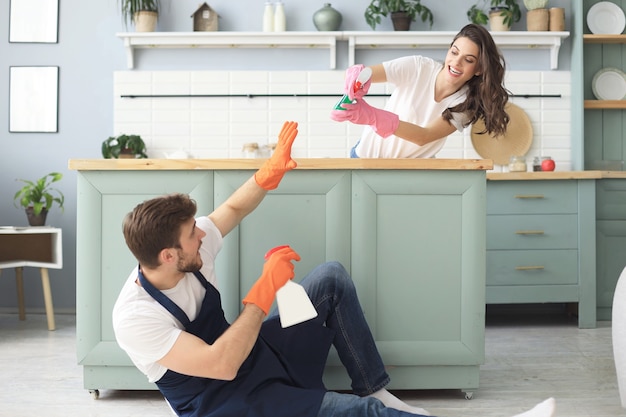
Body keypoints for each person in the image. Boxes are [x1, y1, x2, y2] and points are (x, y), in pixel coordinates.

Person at [112, 120, 555, 417]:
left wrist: (269, 172)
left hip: (258, 360)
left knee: (329, 280)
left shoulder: (188, 251)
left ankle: (374, 386)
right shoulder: (136, 317)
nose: (203, 235)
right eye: (193, 234)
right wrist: (264, 290)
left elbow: (232, 207)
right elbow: (222, 364)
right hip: (231, 402)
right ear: (169, 255)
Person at [330, 23, 510, 159]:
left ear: (479, 69)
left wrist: (372, 116)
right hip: (364, 159)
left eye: (468, 60)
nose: (456, 63)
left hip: (411, 175)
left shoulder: (466, 104)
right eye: (454, 52)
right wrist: (358, 79)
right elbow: (368, 74)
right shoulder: (418, 67)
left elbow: (424, 136)